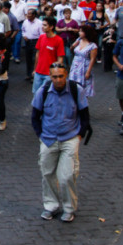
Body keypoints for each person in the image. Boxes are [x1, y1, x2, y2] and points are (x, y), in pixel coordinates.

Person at [31, 62, 91, 223]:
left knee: (67, 176)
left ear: (67, 75)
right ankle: (51, 205)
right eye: (54, 77)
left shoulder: (75, 91)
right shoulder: (43, 91)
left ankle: (69, 208)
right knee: (47, 174)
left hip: (69, 139)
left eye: (61, 76)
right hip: (48, 139)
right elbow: (35, 116)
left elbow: (85, 116)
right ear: (50, 77)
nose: (58, 80)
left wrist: (79, 136)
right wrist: (40, 135)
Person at [32, 16, 66, 95]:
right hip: (38, 72)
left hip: (49, 74)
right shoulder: (41, 37)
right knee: (36, 94)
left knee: (46, 94)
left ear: (51, 27)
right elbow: (38, 54)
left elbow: (60, 59)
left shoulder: (58, 40)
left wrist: (56, 73)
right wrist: (35, 69)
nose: (42, 27)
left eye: (45, 25)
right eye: (42, 25)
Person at [69, 25, 98, 98]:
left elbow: (92, 59)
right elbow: (72, 51)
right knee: (73, 85)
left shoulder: (92, 45)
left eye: (81, 31)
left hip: (84, 67)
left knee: (83, 89)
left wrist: (88, 72)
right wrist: (73, 46)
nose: (79, 32)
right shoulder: (78, 40)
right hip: (75, 66)